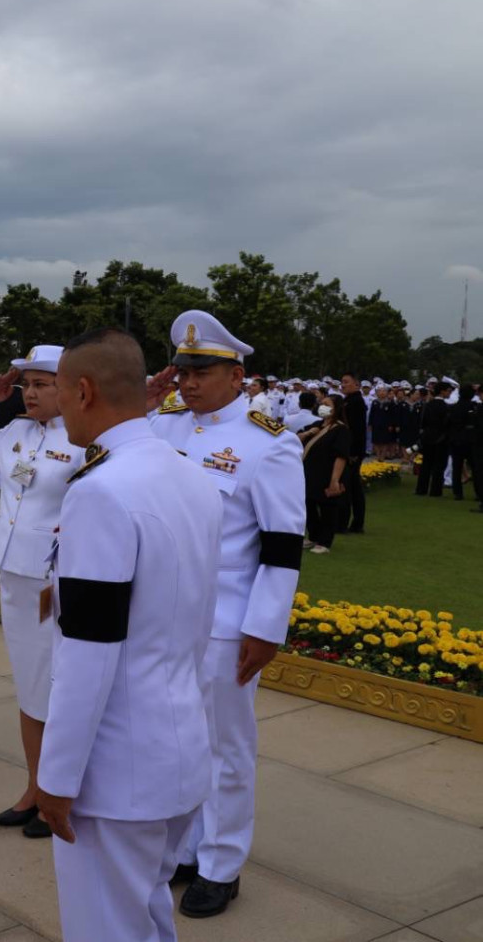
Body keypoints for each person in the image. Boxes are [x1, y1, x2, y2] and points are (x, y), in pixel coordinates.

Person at [37, 328, 222, 942]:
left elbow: (89, 654)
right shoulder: (190, 475)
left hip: (114, 770)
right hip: (180, 750)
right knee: (146, 920)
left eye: (60, 391)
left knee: (106, 930)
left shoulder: (101, 492)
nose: (58, 404)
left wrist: (56, 778)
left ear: (83, 390)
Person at [145, 310, 305, 919]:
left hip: (226, 619)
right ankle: (187, 847)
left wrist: (265, 627)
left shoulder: (268, 441)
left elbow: (283, 545)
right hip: (166, 614)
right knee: (178, 739)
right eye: (182, 370)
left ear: (237, 374)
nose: (188, 382)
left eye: (202, 371)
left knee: (226, 745)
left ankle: (222, 861)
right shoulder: (163, 429)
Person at [0, 345, 81, 832]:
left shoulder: (84, 439)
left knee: (60, 688)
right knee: (30, 687)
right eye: (27, 385)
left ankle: (64, 790)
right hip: (13, 575)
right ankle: (35, 788)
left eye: (42, 384)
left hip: (57, 583)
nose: (31, 394)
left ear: (69, 388)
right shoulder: (14, 433)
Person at [297, 397, 348, 555]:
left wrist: (335, 480)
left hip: (327, 473)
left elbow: (341, 456)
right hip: (309, 472)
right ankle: (313, 536)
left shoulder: (340, 429)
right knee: (309, 505)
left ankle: (325, 542)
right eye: (321, 404)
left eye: (327, 405)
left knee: (327, 508)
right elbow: (296, 438)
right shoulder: (317, 425)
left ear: (336, 408)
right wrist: (308, 433)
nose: (322, 407)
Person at [338, 374, 368, 533]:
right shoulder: (348, 400)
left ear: (356, 385)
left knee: (350, 487)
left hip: (352, 451)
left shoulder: (356, 402)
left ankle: (348, 523)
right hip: (350, 449)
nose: (343, 385)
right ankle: (354, 523)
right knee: (352, 487)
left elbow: (357, 430)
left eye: (346, 382)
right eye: (342, 382)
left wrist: (353, 452)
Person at [415, 384, 450, 497]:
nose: (449, 393)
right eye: (448, 391)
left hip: (428, 437)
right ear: (442, 392)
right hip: (441, 439)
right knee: (439, 466)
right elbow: (446, 424)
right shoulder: (446, 407)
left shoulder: (428, 405)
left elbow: (423, 422)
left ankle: (421, 489)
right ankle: (436, 491)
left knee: (426, 464)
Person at [447, 385, 475, 501]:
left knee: (457, 467)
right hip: (471, 441)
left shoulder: (453, 408)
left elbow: (448, 424)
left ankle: (457, 493)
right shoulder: (474, 407)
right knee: (476, 468)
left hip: (456, 440)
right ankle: (478, 492)